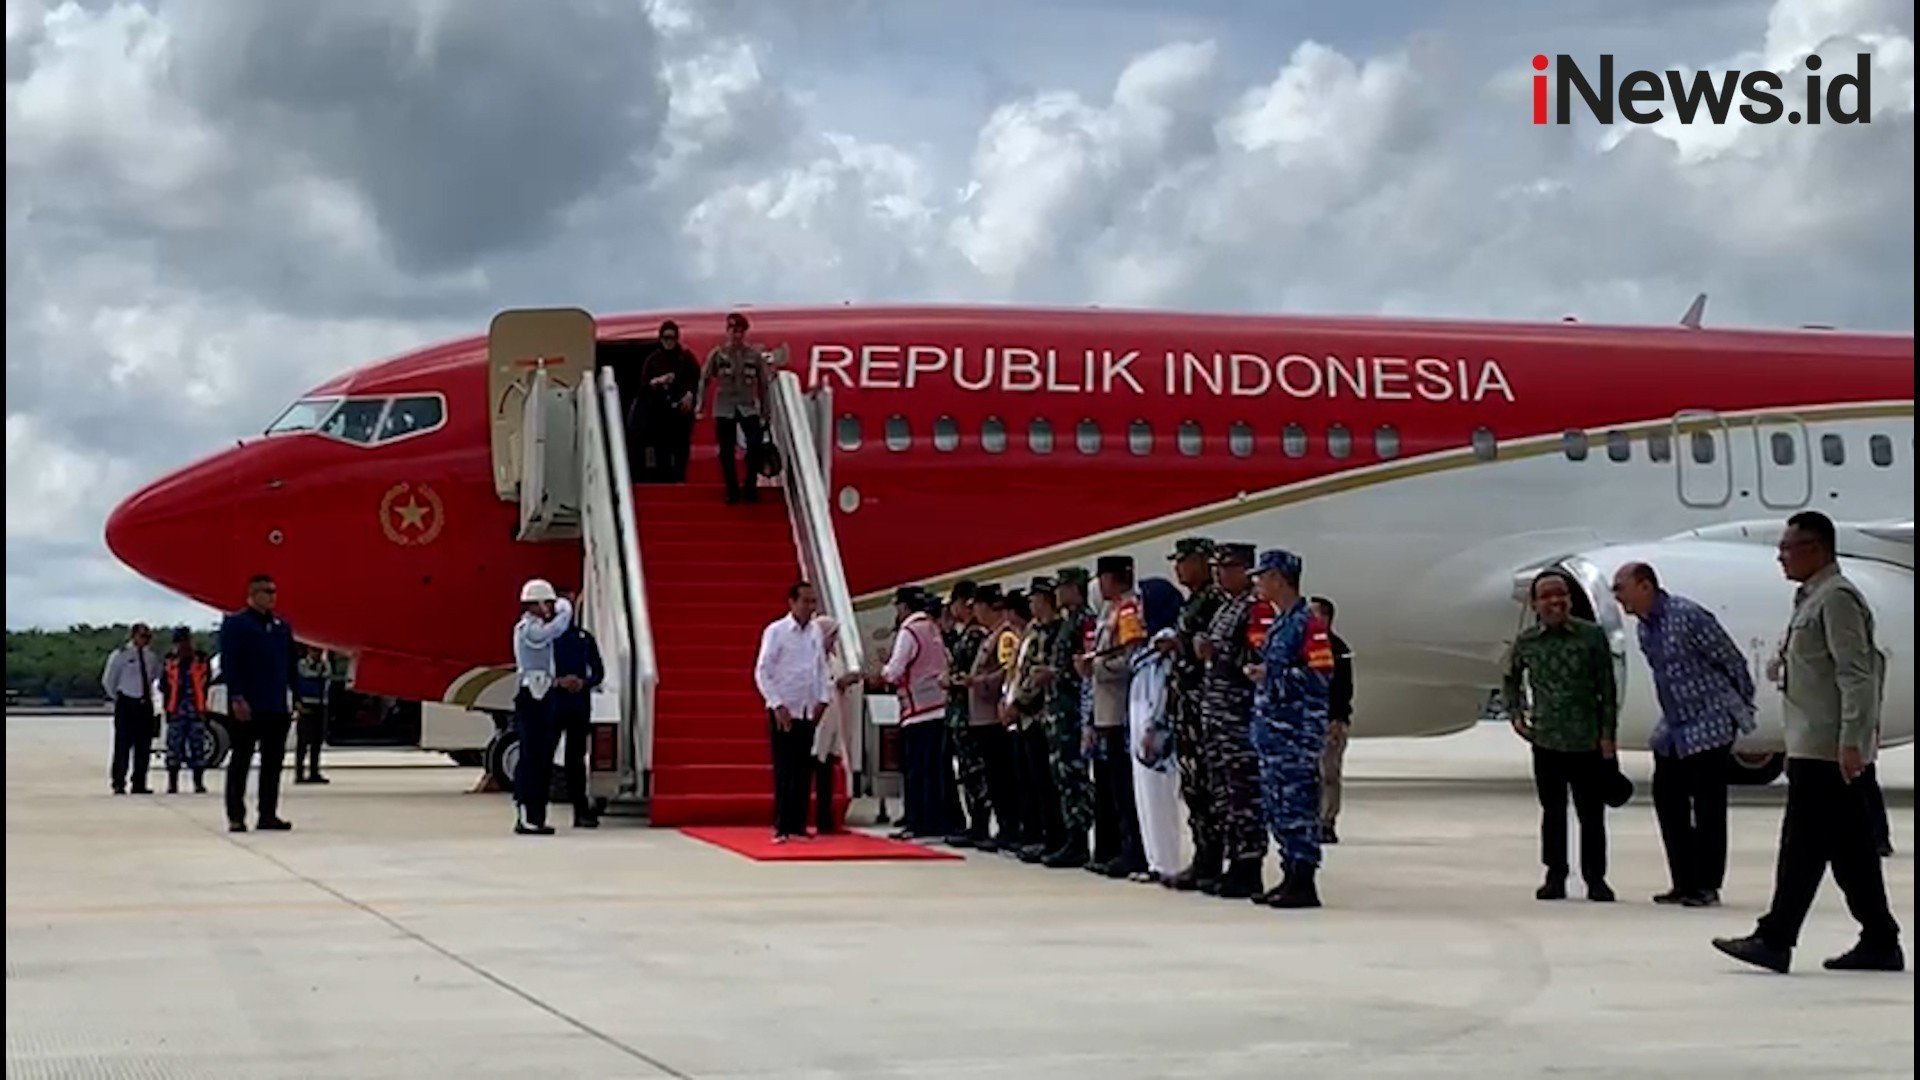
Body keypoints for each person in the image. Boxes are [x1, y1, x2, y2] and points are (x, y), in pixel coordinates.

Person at [1714, 511, 1904, 974]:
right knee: (1851, 850)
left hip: (1825, 749)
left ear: (1815, 549)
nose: (1779, 557)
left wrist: (1853, 741)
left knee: (1802, 847)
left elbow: (1856, 675)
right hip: (1810, 743)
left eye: (1787, 548)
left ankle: (1775, 938)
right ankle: (1880, 939)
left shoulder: (1837, 599)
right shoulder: (1810, 598)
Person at [1612, 561, 1755, 907]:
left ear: (1645, 586)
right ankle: (1683, 880)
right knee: (1668, 799)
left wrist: (1739, 706)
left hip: (1710, 719)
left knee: (1708, 806)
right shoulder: (1645, 628)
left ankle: (1707, 885)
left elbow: (1731, 660)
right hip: (1676, 725)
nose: (1618, 597)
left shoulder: (1689, 616)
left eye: (1622, 588)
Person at [1502, 570, 1618, 902]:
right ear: (1535, 603)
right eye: (1547, 596)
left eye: (1561, 594)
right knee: (1552, 813)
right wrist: (1516, 713)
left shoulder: (1592, 636)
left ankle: (1596, 878)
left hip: (1587, 739)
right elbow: (1510, 678)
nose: (1556, 601)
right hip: (1547, 739)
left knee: (1591, 814)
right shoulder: (1528, 641)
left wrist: (1608, 735)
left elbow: (1607, 687)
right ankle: (1555, 875)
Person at [1246, 550, 1335, 908]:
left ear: (1279, 579)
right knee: (1278, 805)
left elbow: (1321, 673)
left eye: (1262, 576)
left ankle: (1303, 879)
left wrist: (1273, 676)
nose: (1258, 582)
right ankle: (1289, 874)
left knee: (1297, 803)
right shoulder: (1281, 622)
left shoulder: (1307, 623)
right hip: (1274, 732)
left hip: (1296, 732)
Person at [1197, 543, 1266, 898]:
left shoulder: (1255, 610)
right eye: (1217, 567)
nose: (1219, 573)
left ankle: (1249, 866)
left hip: (1238, 717)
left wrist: (1216, 651)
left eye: (1226, 567)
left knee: (1244, 794)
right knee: (1225, 796)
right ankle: (1233, 862)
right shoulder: (1226, 608)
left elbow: (1257, 659)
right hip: (1218, 717)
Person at [1165, 538, 1226, 890]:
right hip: (1187, 705)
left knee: (1208, 783)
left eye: (1185, 561)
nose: (1179, 569)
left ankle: (1213, 857)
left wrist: (1181, 645)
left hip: (1206, 707)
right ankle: (1203, 856)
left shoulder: (1215, 602)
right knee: (1193, 785)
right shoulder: (1195, 602)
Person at [1084, 555, 1149, 878]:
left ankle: (1133, 851)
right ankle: (1116, 848)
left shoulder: (1127, 610)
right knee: (1111, 788)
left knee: (1125, 789)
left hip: (1121, 708)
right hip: (1105, 710)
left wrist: (1095, 667)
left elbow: (1131, 659)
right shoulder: (1110, 610)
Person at [753, 581, 833, 843]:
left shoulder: (815, 633)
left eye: (813, 602)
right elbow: (763, 670)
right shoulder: (776, 631)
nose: (810, 607)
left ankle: (799, 823)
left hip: (808, 707)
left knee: (803, 768)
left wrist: (823, 698)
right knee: (785, 768)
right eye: (805, 601)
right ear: (792, 602)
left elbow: (820, 668)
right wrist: (776, 703)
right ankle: (783, 824)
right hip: (785, 707)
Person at [219, 575, 299, 833]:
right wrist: (237, 697)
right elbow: (230, 664)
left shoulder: (281, 628)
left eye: (274, 591)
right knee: (241, 760)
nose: (272, 596)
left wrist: (295, 696)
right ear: (252, 594)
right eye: (267, 591)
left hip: (275, 705)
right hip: (248, 705)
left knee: (272, 763)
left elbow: (290, 666)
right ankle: (236, 815)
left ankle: (268, 813)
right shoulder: (236, 625)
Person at [875, 586, 949, 840]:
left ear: (903, 607)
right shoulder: (931, 627)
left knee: (916, 771)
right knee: (934, 770)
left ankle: (917, 822)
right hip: (938, 706)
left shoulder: (909, 631)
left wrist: (883, 671)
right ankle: (934, 821)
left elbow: (895, 670)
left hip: (916, 709)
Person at [1039, 566, 1097, 868]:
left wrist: (1056, 673)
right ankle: (1067, 835)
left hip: (1072, 710)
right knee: (1061, 775)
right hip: (1058, 710)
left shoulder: (1085, 621)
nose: (1058, 593)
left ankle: (1079, 838)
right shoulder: (1066, 622)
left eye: (1062, 587)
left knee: (1074, 775)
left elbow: (1084, 669)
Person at [1128, 577, 1185, 884]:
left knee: (1160, 794)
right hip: (1139, 717)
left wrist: (1155, 723)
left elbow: (1164, 686)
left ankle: (1168, 861)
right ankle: (1154, 859)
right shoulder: (1146, 641)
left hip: (1154, 719)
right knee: (1144, 793)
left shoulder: (1165, 641)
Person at [510, 578, 572, 836]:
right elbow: (549, 635)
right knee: (532, 757)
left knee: (542, 756)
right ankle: (527, 814)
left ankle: (536, 814)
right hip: (532, 695)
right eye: (546, 602)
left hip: (543, 692)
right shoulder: (528, 628)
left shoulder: (535, 625)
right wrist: (565, 612)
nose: (549, 607)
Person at [1006, 577, 1063, 861]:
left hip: (1040, 715)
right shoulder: (1033, 630)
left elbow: (1039, 675)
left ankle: (1051, 836)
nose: (1031, 603)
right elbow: (1020, 670)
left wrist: (1018, 703)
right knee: (1031, 780)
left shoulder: (1054, 631)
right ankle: (1037, 833)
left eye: (1035, 599)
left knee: (1046, 782)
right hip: (1026, 716)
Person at [693, 311, 772, 504]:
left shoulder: (754, 356)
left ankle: (750, 486)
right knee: (726, 450)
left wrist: (766, 410)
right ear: (727, 331)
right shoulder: (718, 354)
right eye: (733, 330)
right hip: (725, 407)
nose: (736, 335)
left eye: (740, 331)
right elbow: (704, 378)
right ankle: (732, 489)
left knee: (754, 446)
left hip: (747, 406)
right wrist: (700, 405)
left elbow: (763, 384)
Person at [967, 585, 1021, 849]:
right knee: (994, 777)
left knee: (1002, 777)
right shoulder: (992, 635)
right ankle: (1005, 826)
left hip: (993, 716)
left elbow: (1005, 674)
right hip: (984, 717)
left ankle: (1010, 827)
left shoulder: (1005, 636)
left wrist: (976, 682)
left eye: (976, 605)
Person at [942, 581, 994, 848]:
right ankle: (975, 821)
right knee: (967, 769)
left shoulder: (975, 636)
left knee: (975, 770)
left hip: (968, 711)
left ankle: (980, 823)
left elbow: (970, 674)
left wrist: (952, 680)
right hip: (960, 712)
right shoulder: (966, 634)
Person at [553, 594, 605, 829]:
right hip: (553, 703)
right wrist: (558, 682)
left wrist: (584, 683)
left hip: (578, 704)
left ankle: (580, 809)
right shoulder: (546, 638)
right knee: (545, 757)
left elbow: (598, 672)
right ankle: (535, 810)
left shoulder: (584, 639)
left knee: (575, 760)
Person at [811, 615, 866, 835]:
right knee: (816, 766)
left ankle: (826, 819)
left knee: (826, 771)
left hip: (833, 720)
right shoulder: (812, 659)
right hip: (818, 720)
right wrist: (838, 683)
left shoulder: (833, 659)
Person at [634, 320, 700, 482]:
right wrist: (658, 381)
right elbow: (643, 387)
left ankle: (679, 479)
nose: (668, 341)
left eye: (671, 337)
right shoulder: (653, 360)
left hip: (681, 414)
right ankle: (664, 480)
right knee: (661, 450)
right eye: (665, 337)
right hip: (659, 413)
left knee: (680, 449)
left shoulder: (686, 358)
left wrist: (690, 394)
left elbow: (698, 380)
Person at [1311, 597, 1354, 845]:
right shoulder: (1305, 646)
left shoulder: (1338, 649)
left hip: (1330, 721)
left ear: (1326, 618)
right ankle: (1311, 819)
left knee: (1329, 773)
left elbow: (1343, 688)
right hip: (1309, 719)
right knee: (1310, 773)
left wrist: (1338, 719)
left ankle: (1327, 821)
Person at [101, 623, 161, 795]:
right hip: (127, 702)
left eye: (148, 637)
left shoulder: (151, 657)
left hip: (144, 703)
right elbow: (109, 680)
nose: (146, 640)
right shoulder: (120, 655)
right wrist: (118, 697)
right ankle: (119, 782)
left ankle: (139, 783)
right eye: (143, 636)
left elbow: (156, 677)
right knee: (123, 745)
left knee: (143, 746)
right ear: (133, 636)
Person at [158, 627, 211, 795]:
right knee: (174, 747)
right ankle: (173, 783)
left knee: (198, 747)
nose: (183, 645)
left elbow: (206, 681)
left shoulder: (201, 659)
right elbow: (163, 685)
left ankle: (198, 782)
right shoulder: (169, 661)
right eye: (180, 642)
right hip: (176, 710)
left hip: (196, 709)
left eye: (186, 641)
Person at [293, 646, 330, 785]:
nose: (317, 654)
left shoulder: (324, 665)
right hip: (306, 705)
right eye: (315, 651)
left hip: (320, 705)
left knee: (317, 742)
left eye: (319, 651)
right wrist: (297, 703)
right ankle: (299, 773)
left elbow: (326, 676)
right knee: (303, 742)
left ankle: (314, 772)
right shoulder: (301, 665)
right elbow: (302, 680)